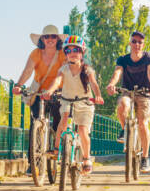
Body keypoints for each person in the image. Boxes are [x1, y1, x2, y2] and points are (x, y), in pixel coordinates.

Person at [44, 36, 104, 174]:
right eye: (68, 50)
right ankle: (57, 148)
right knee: (63, 121)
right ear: (65, 54)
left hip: (85, 103)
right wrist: (50, 91)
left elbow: (94, 84)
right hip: (67, 101)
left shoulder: (87, 70)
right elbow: (57, 81)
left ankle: (86, 158)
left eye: (76, 49)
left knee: (83, 130)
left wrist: (98, 95)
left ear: (82, 52)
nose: (72, 52)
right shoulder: (64, 69)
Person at [106, 31, 150, 172]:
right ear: (130, 43)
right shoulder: (123, 59)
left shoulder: (149, 57)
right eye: (134, 41)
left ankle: (145, 158)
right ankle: (124, 129)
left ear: (143, 44)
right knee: (123, 105)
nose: (137, 44)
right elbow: (117, 73)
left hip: (144, 93)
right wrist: (111, 84)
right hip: (127, 91)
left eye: (140, 42)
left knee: (143, 123)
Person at [12, 24, 64, 164]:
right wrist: (18, 85)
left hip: (57, 91)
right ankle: (33, 163)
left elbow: (65, 73)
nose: (50, 39)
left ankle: (56, 150)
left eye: (53, 36)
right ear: (43, 39)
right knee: (35, 124)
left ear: (58, 39)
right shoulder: (36, 53)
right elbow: (28, 71)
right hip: (39, 92)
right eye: (47, 37)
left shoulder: (63, 54)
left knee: (58, 120)